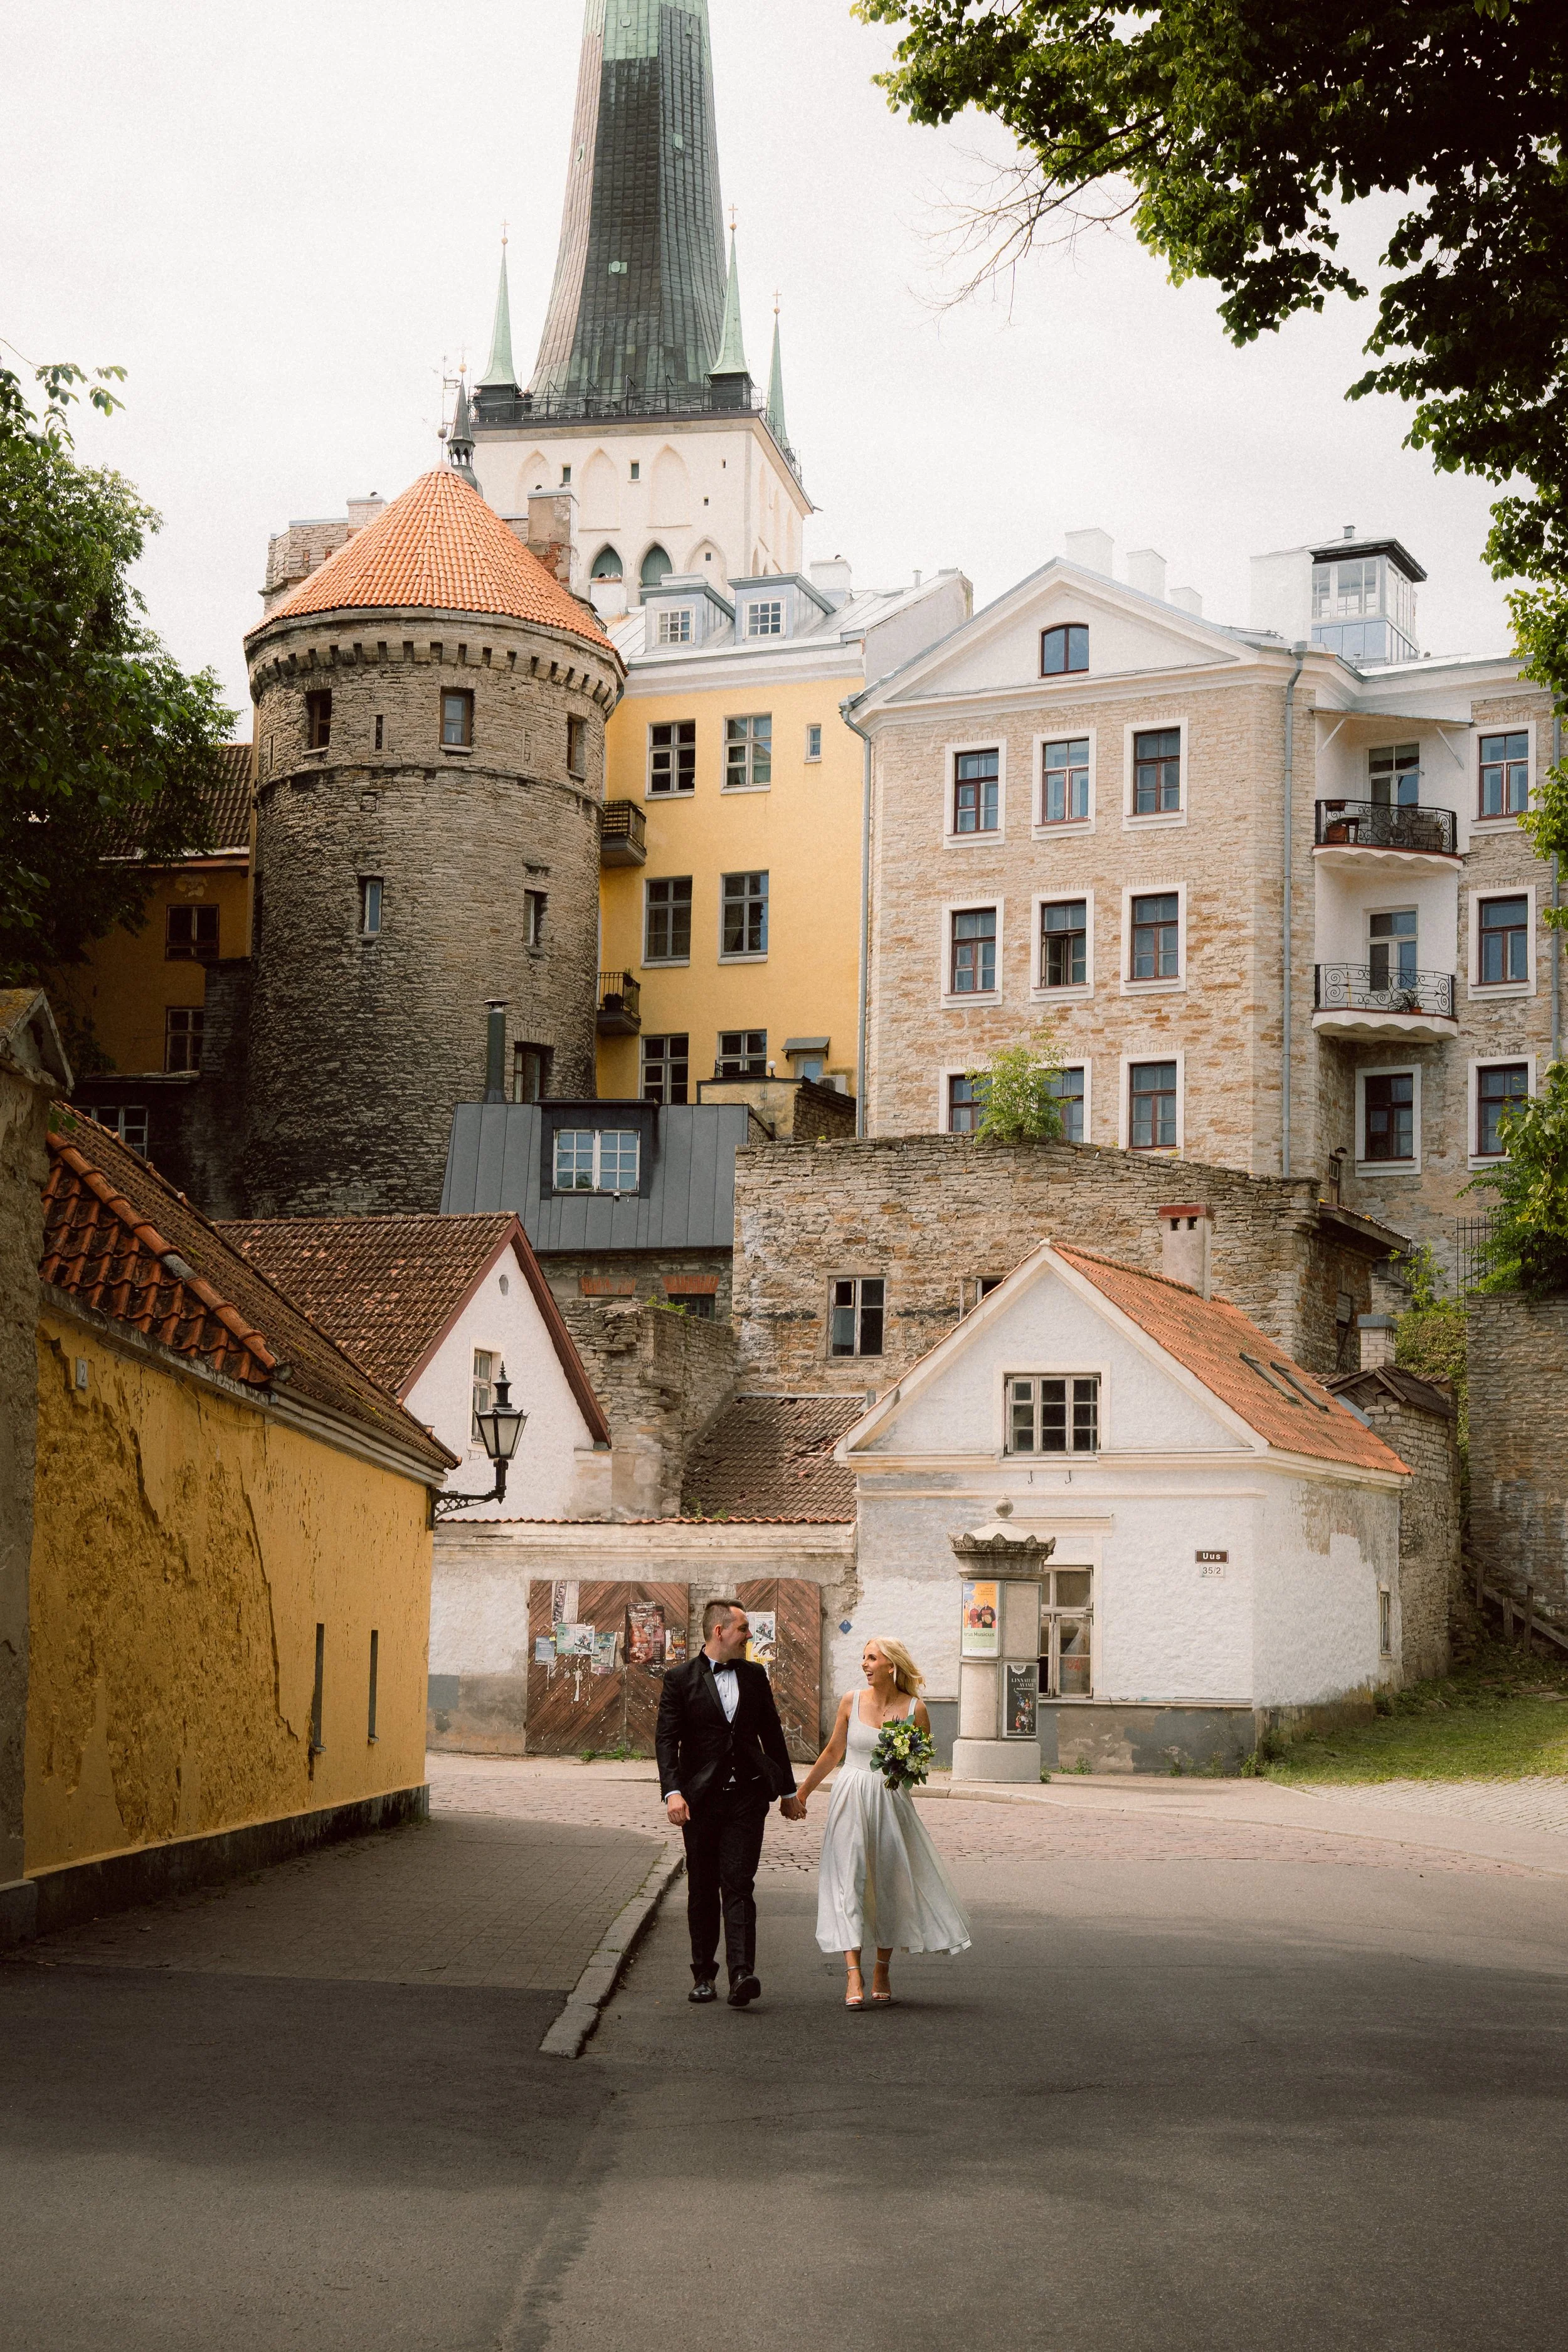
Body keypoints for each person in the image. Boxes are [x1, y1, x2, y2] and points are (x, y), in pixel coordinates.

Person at [794, 1637, 972, 2008]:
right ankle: (852, 1974)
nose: (864, 1664)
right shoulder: (850, 1701)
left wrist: (904, 1765)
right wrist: (802, 1793)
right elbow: (833, 1753)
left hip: (891, 1802)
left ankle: (881, 1968)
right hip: (849, 1797)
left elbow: (919, 1765)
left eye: (871, 1658)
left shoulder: (915, 1709)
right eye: (863, 1658)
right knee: (848, 1880)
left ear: (892, 1665)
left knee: (888, 1885)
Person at [655, 1599, 805, 2008]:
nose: (749, 1636)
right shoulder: (680, 1679)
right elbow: (667, 1740)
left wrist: (788, 1792)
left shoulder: (755, 1676)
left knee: (739, 1885)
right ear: (719, 1631)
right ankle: (704, 1974)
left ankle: (742, 1973)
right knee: (703, 1889)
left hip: (747, 1797)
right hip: (700, 1802)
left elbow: (772, 1734)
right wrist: (673, 1792)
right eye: (743, 1629)